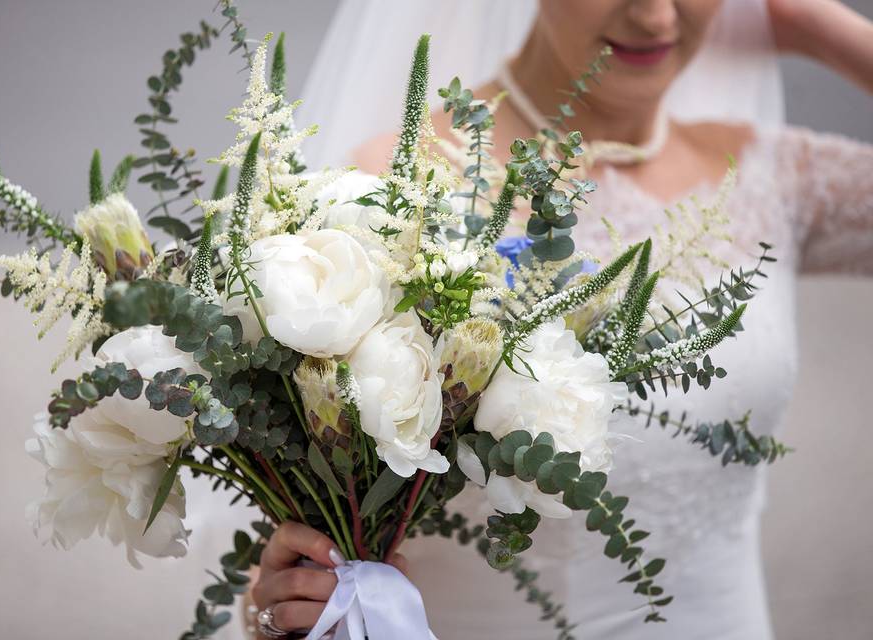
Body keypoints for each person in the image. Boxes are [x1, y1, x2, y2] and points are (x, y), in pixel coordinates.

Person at [246, 1, 873, 638]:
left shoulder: (771, 173)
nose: (656, 17)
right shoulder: (391, 185)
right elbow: (314, 518)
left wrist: (814, 24)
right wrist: (282, 611)